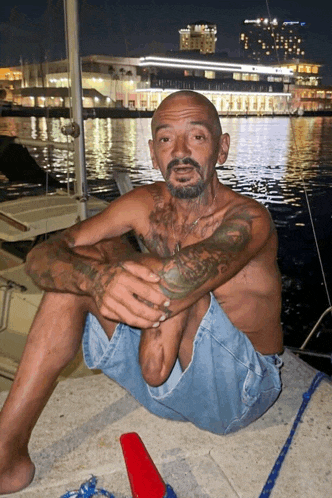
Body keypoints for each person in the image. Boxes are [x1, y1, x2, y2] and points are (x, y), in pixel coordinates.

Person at [0, 90, 283, 494]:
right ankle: (5, 456)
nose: (180, 152)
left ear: (222, 149)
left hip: (237, 394)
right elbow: (43, 257)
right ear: (153, 153)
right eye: (166, 139)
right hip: (166, 389)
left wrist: (116, 264)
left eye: (197, 137)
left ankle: (152, 354)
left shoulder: (248, 219)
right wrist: (94, 279)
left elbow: (178, 280)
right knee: (78, 270)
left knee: (154, 267)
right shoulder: (143, 203)